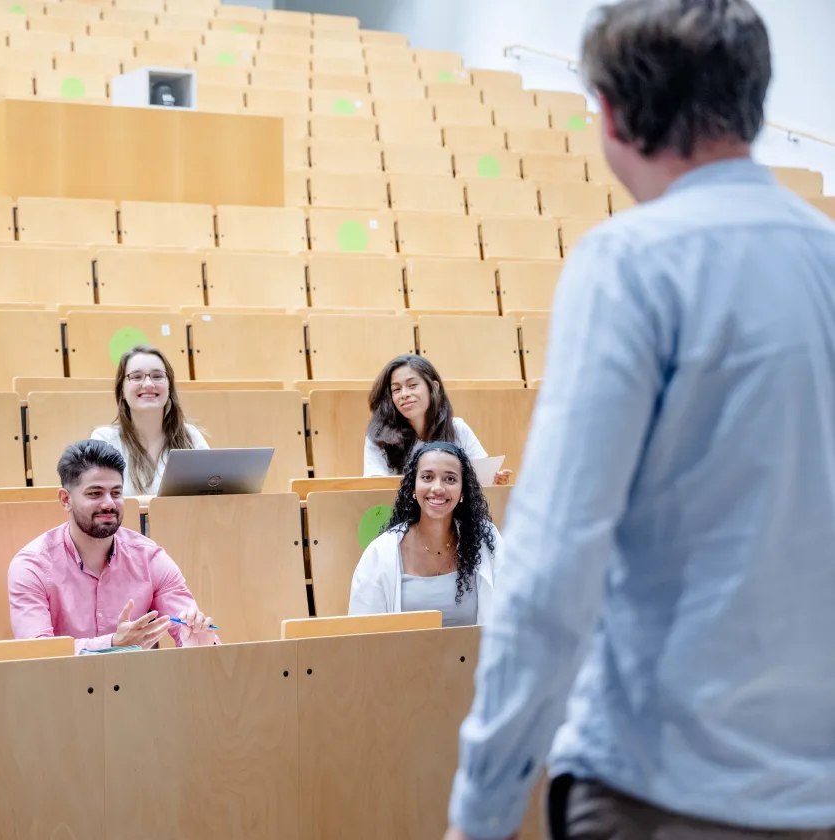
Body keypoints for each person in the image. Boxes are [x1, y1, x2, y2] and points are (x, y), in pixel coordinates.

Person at [445, 2, 835, 839]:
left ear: (613, 115)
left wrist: (480, 810)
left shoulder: (629, 264)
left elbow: (551, 573)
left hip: (667, 787)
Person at [7, 439, 218, 654]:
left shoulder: (150, 558)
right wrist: (114, 644)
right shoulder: (31, 565)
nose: (109, 503)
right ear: (65, 499)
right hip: (61, 685)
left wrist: (199, 644)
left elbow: (190, 633)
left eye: (116, 493)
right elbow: (37, 653)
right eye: (95, 493)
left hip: (137, 684)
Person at [349, 442, 499, 626]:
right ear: (413, 488)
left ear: (462, 492)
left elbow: (511, 613)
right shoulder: (381, 552)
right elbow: (363, 634)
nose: (437, 488)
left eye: (450, 479)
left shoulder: (485, 538)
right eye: (427, 477)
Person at [364, 355, 511, 486]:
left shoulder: (457, 428)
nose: (404, 394)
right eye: (396, 389)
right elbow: (375, 486)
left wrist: (495, 480)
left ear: (433, 387)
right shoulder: (379, 437)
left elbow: (482, 479)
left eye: (412, 385)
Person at [91, 345, 209, 496]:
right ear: (122, 391)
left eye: (157, 376)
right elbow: (100, 501)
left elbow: (210, 495)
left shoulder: (191, 437)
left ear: (169, 387)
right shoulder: (104, 440)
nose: (148, 384)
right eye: (136, 377)